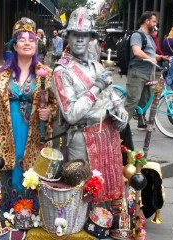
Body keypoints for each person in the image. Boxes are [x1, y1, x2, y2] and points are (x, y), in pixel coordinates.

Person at [0, 17, 57, 212]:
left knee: (33, 171)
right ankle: (8, 214)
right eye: (22, 39)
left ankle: (35, 214)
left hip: (34, 134)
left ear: (36, 44)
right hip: (7, 135)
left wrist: (49, 113)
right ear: (14, 45)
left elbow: (54, 105)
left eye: (31, 39)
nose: (27, 43)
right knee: (8, 171)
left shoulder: (45, 73)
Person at [52, 7, 128, 204]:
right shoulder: (62, 71)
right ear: (67, 37)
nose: (79, 39)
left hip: (106, 135)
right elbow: (71, 114)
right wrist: (96, 88)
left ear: (90, 39)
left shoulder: (97, 66)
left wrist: (119, 109)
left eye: (83, 35)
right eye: (75, 35)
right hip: (82, 138)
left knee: (105, 193)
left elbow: (110, 95)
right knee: (83, 193)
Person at [124, 11, 169, 130]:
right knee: (132, 101)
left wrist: (159, 57)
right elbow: (137, 52)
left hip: (149, 73)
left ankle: (141, 122)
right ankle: (121, 129)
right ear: (147, 21)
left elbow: (149, 53)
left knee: (145, 100)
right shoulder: (137, 35)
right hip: (137, 73)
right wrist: (150, 58)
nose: (155, 24)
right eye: (154, 22)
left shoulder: (149, 37)